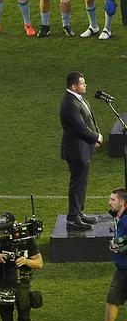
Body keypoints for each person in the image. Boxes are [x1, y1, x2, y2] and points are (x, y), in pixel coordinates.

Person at [60, 71, 103, 231]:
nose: (85, 85)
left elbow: (89, 119)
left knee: (81, 182)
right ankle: (73, 218)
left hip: (83, 149)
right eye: (82, 83)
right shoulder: (69, 103)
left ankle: (79, 212)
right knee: (77, 183)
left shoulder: (77, 98)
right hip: (76, 150)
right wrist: (95, 137)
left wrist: (95, 135)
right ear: (74, 86)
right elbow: (79, 126)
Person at [85, 189, 127, 321]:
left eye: (113, 199)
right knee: (112, 300)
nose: (109, 202)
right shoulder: (119, 216)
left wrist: (120, 247)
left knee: (113, 299)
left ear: (122, 202)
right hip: (122, 267)